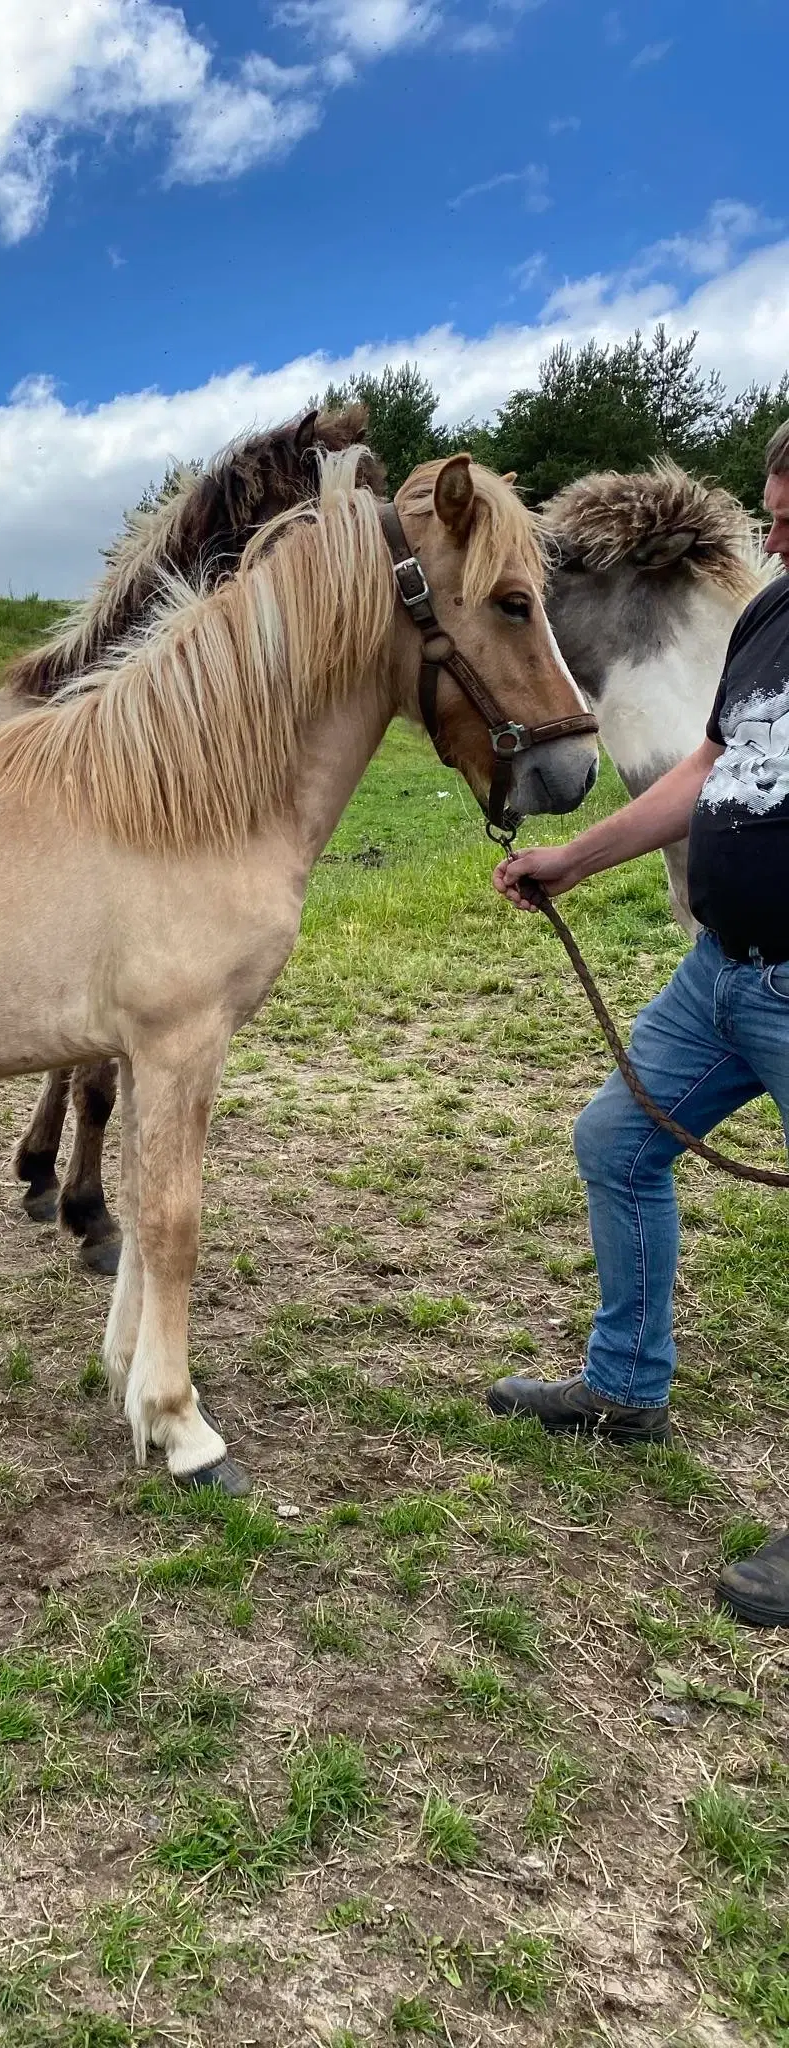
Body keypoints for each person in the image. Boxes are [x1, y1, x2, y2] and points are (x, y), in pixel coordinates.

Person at [488, 420, 789, 1627]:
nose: (775, 536)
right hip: (727, 975)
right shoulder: (774, 617)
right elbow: (711, 762)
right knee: (618, 1142)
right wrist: (577, 858)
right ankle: (625, 1387)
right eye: (774, 511)